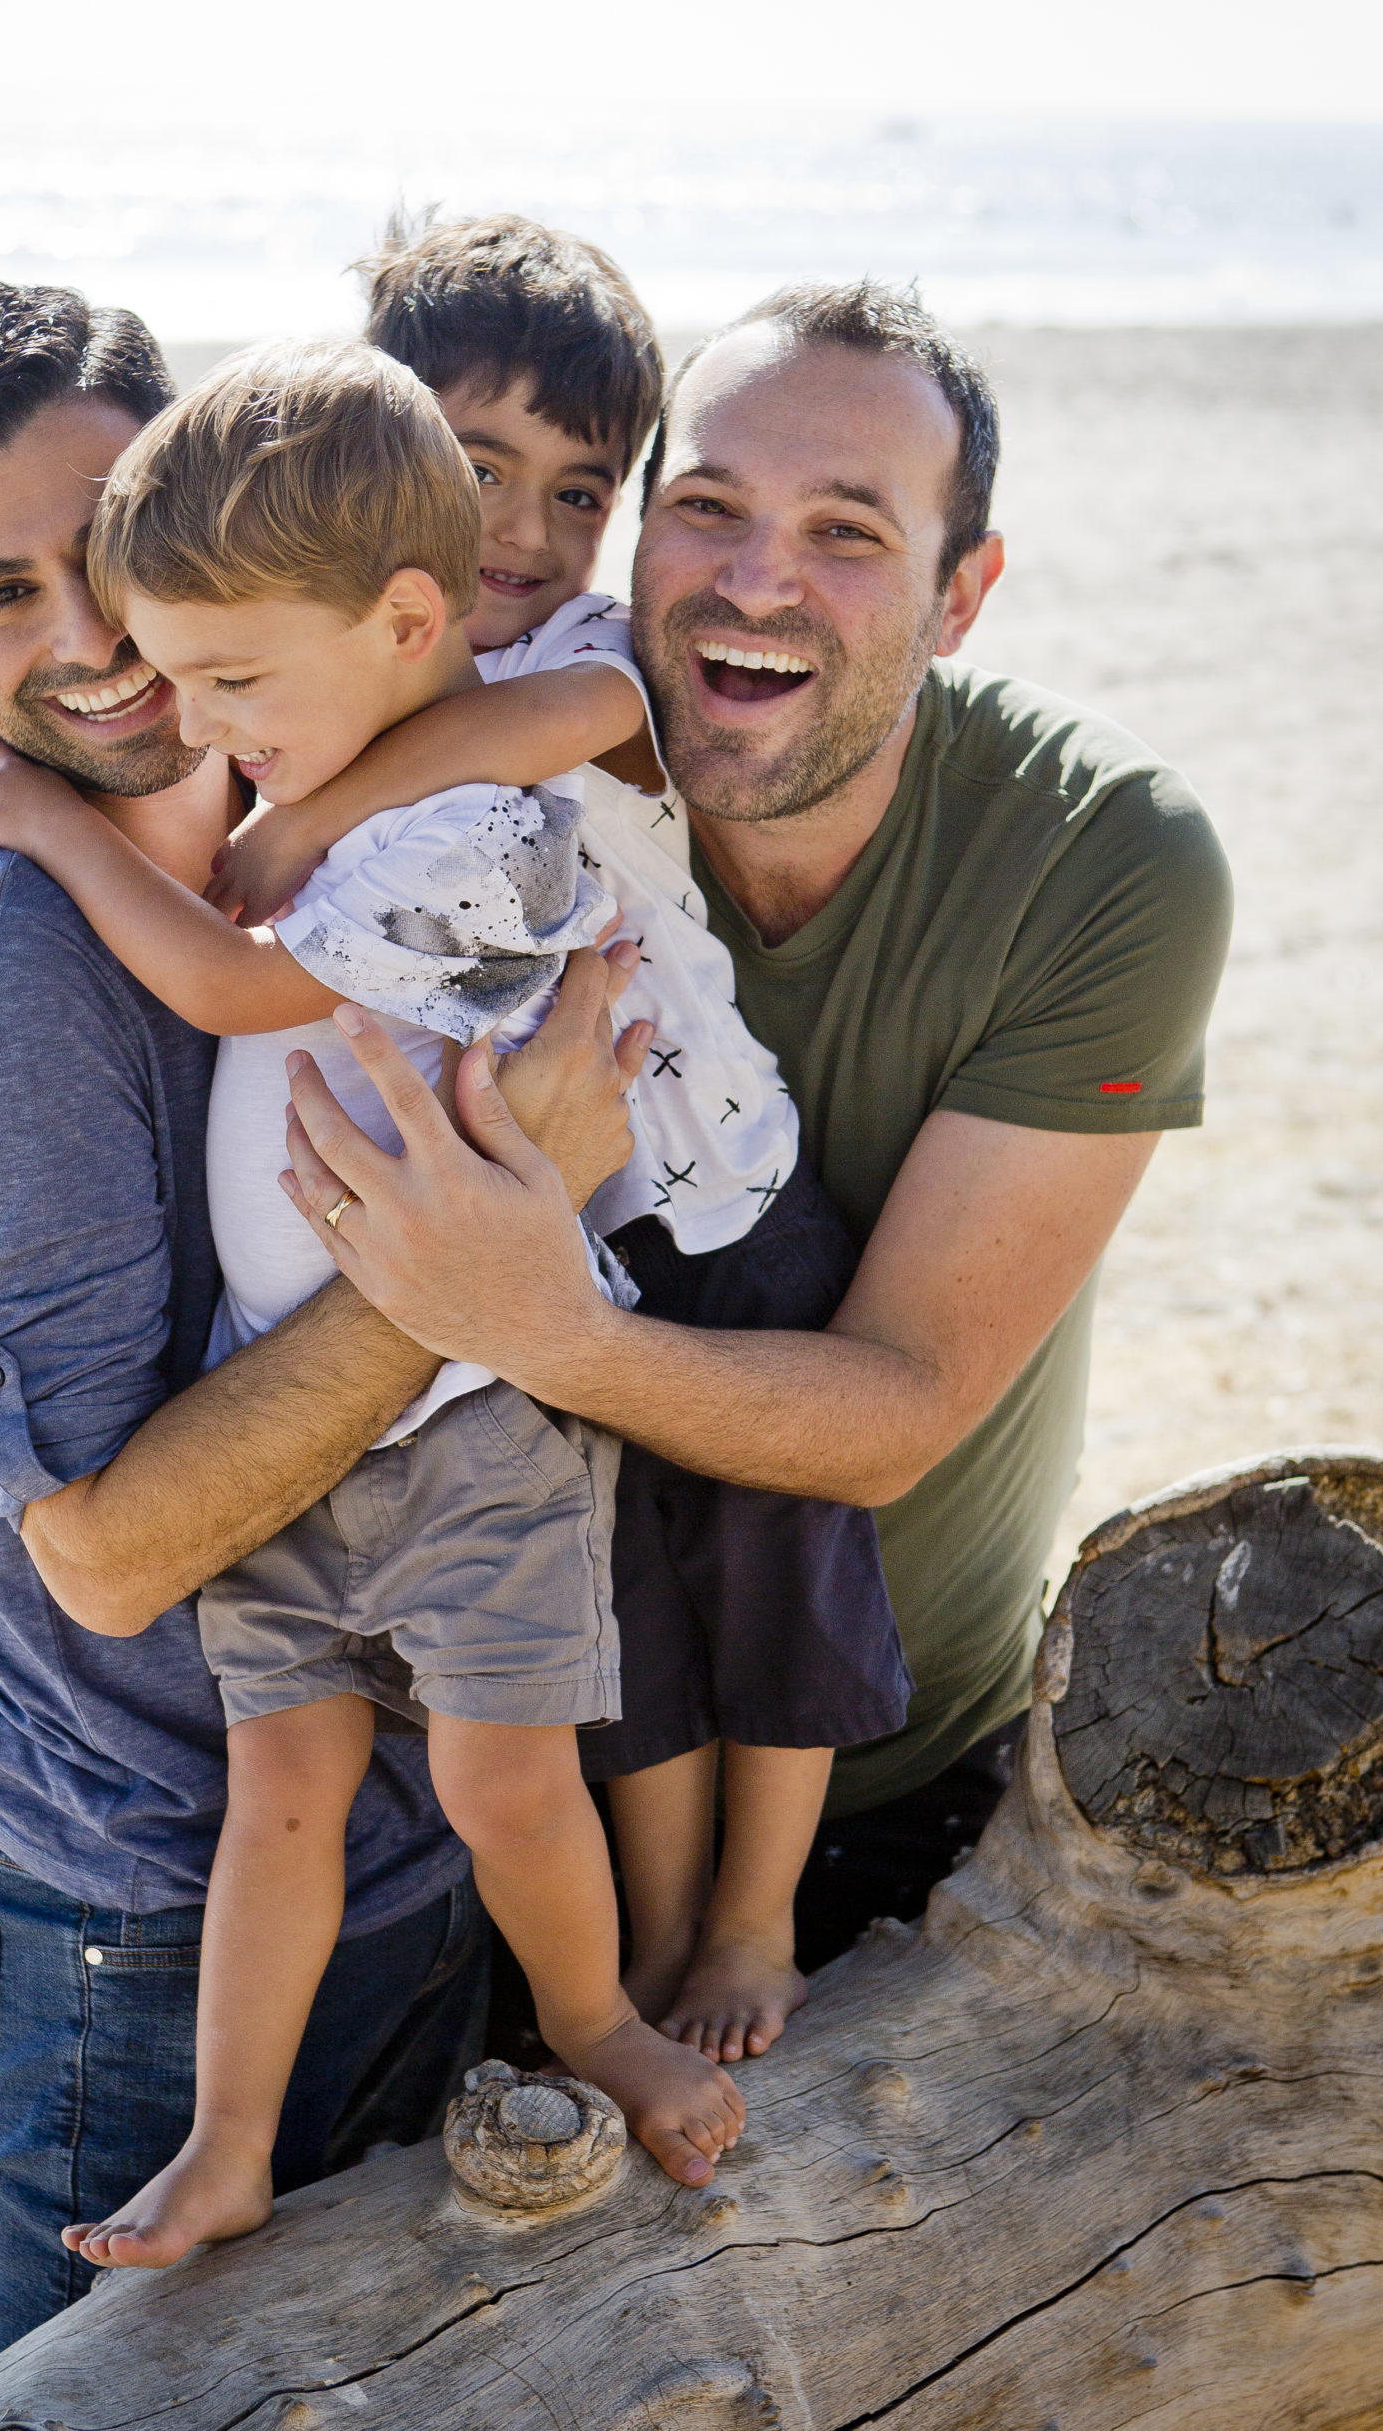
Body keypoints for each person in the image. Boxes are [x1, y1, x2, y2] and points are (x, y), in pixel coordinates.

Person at [0, 282, 640, 2362]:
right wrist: (480, 1248)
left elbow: (564, 689)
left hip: (399, 1826)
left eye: (105, 552)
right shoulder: (1, 985)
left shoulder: (286, 813)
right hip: (151, 1915)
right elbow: (106, 1552)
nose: (89, 635)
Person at [268, 281, 1234, 1954]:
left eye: (848, 531)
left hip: (895, 1792)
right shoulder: (504, 784)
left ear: (962, 595)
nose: (757, 577)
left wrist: (532, 1320)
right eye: (704, 508)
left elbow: (895, 1409)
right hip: (493, 1795)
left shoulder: (1102, 855)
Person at [204, 217, 915, 2057]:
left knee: (777, 1545)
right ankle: (666, 1939)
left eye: (580, 488)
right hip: (544, 1248)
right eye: (477, 467)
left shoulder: (594, 653)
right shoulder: (351, 667)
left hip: (708, 1183)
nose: (522, 527)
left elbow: (578, 719)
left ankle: (753, 1920)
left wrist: (306, 824)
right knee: (621, 1612)